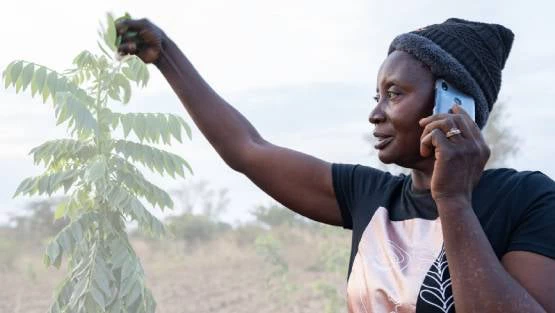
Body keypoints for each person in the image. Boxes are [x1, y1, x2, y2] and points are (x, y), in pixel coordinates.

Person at [115, 17, 555, 312]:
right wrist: (166, 55)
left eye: (395, 94)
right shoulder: (369, 196)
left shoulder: (529, 199)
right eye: (376, 96)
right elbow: (246, 148)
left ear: (453, 105)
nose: (375, 113)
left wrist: (454, 202)